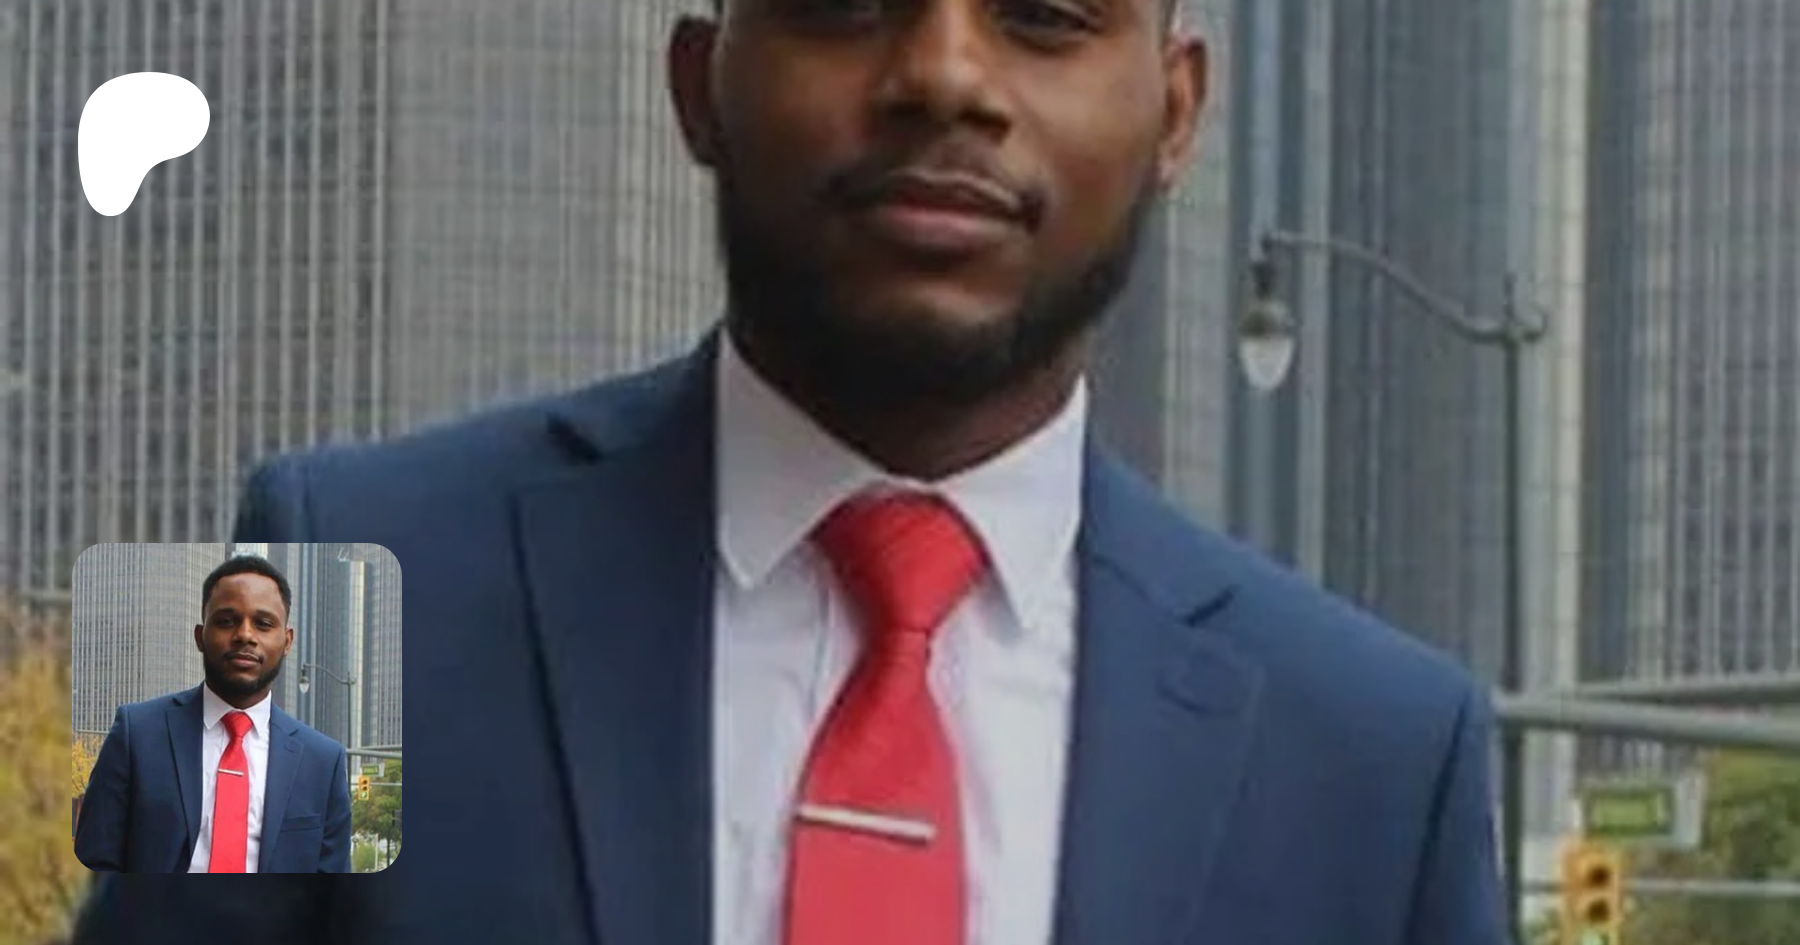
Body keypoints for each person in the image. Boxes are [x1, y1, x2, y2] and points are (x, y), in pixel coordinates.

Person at [73, 0, 1506, 942]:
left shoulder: (1381, 762)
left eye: (1045, 17)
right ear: (700, 82)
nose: (944, 75)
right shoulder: (327, 576)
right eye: (841, 1)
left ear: (1177, 113)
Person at [73, 555, 353, 875]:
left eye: (263, 624)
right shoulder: (136, 734)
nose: (245, 635)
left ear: (287, 641)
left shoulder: (323, 761)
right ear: (200, 636)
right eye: (226, 621)